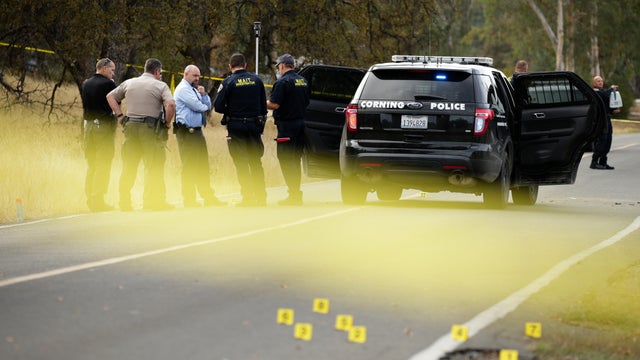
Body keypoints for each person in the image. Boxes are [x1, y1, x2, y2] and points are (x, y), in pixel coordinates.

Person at [106, 58, 176, 211]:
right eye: (161, 73)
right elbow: (171, 104)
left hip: (130, 127)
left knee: (129, 165)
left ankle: (124, 202)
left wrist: (119, 115)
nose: (161, 75)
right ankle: (151, 201)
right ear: (157, 71)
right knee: (153, 165)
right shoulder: (160, 85)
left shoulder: (129, 82)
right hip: (149, 129)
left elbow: (110, 96)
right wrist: (167, 124)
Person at [213, 53, 268, 206]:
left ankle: (248, 198)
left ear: (230, 67)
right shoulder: (257, 81)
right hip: (254, 126)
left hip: (236, 127)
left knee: (241, 163)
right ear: (245, 65)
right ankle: (261, 197)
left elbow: (217, 106)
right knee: (256, 162)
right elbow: (264, 107)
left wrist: (230, 107)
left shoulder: (228, 82)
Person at [173, 64, 225, 207]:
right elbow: (199, 107)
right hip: (187, 132)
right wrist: (203, 104)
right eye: (194, 75)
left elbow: (207, 104)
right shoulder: (183, 89)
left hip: (196, 132)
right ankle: (189, 200)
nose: (197, 78)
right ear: (186, 74)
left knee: (202, 166)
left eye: (198, 76)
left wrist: (204, 95)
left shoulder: (193, 90)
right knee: (190, 167)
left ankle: (208, 197)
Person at [267, 54, 310, 205]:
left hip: (287, 127)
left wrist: (260, 102)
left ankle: (294, 195)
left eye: (278, 66)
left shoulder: (282, 82)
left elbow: (274, 104)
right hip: (301, 125)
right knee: (295, 160)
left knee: (286, 160)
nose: (278, 68)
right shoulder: (303, 81)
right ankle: (296, 194)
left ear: (283, 65)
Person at [81, 58, 117, 212]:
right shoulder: (108, 84)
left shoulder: (86, 83)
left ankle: (90, 197)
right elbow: (115, 103)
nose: (113, 73)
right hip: (102, 127)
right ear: (103, 68)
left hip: (88, 127)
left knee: (92, 163)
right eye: (112, 69)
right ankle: (98, 200)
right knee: (103, 163)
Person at [591, 75, 619, 170]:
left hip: (607, 118)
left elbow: (607, 103)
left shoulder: (603, 91)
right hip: (600, 120)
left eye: (601, 81)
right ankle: (594, 162)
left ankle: (603, 162)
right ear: (594, 83)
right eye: (598, 81)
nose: (601, 82)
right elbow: (605, 95)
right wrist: (611, 89)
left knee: (608, 141)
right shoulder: (595, 92)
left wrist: (612, 111)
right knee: (603, 140)